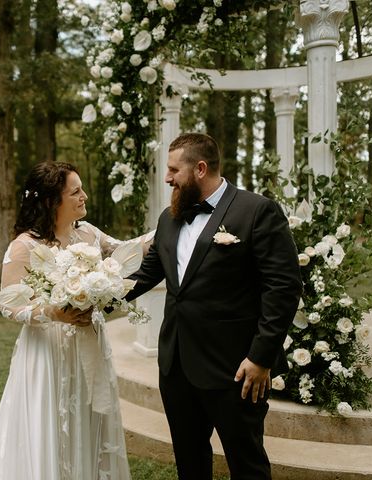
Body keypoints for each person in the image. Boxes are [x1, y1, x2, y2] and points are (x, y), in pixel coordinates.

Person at [125, 132, 302, 480]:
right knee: (189, 462)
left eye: (175, 170)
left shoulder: (256, 211)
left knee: (246, 462)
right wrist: (91, 297)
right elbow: (144, 277)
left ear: (200, 169)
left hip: (234, 369)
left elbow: (283, 287)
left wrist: (260, 357)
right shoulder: (169, 217)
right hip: (176, 366)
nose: (167, 178)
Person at [0, 161, 152, 480]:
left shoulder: (87, 233)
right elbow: (9, 305)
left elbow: (126, 251)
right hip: (47, 355)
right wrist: (52, 313)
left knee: (86, 424)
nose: (84, 196)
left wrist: (166, 226)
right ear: (50, 202)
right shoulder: (24, 246)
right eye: (75, 191)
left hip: (88, 347)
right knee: (49, 428)